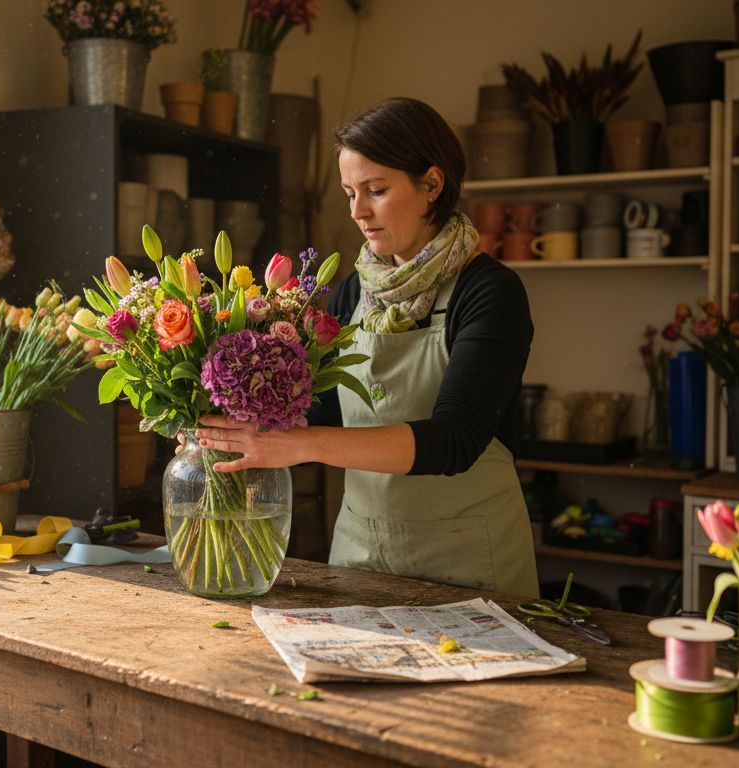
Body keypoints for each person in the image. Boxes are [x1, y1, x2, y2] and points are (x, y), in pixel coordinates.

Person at [195, 96, 539, 597]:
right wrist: (243, 427)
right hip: (360, 553)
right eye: (349, 193)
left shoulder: (489, 292)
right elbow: (332, 405)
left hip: (469, 562)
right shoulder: (356, 290)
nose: (357, 211)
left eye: (376, 190)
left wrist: (298, 445)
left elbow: (455, 439)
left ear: (432, 185)